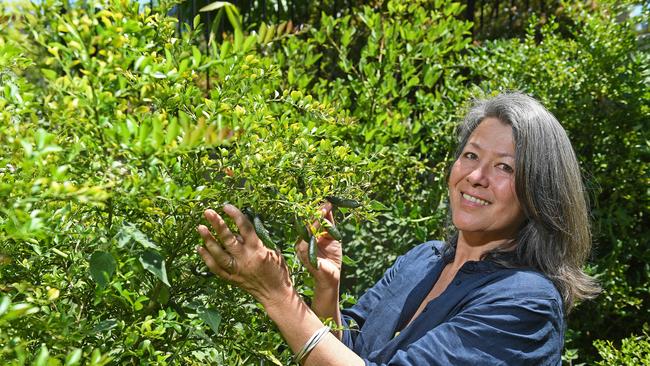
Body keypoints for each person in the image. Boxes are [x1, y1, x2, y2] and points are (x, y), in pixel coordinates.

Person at [196, 92, 600, 365]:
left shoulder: (525, 302)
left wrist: (277, 295)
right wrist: (326, 289)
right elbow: (351, 354)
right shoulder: (422, 260)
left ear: (539, 191)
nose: (476, 176)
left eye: (505, 167)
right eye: (470, 155)